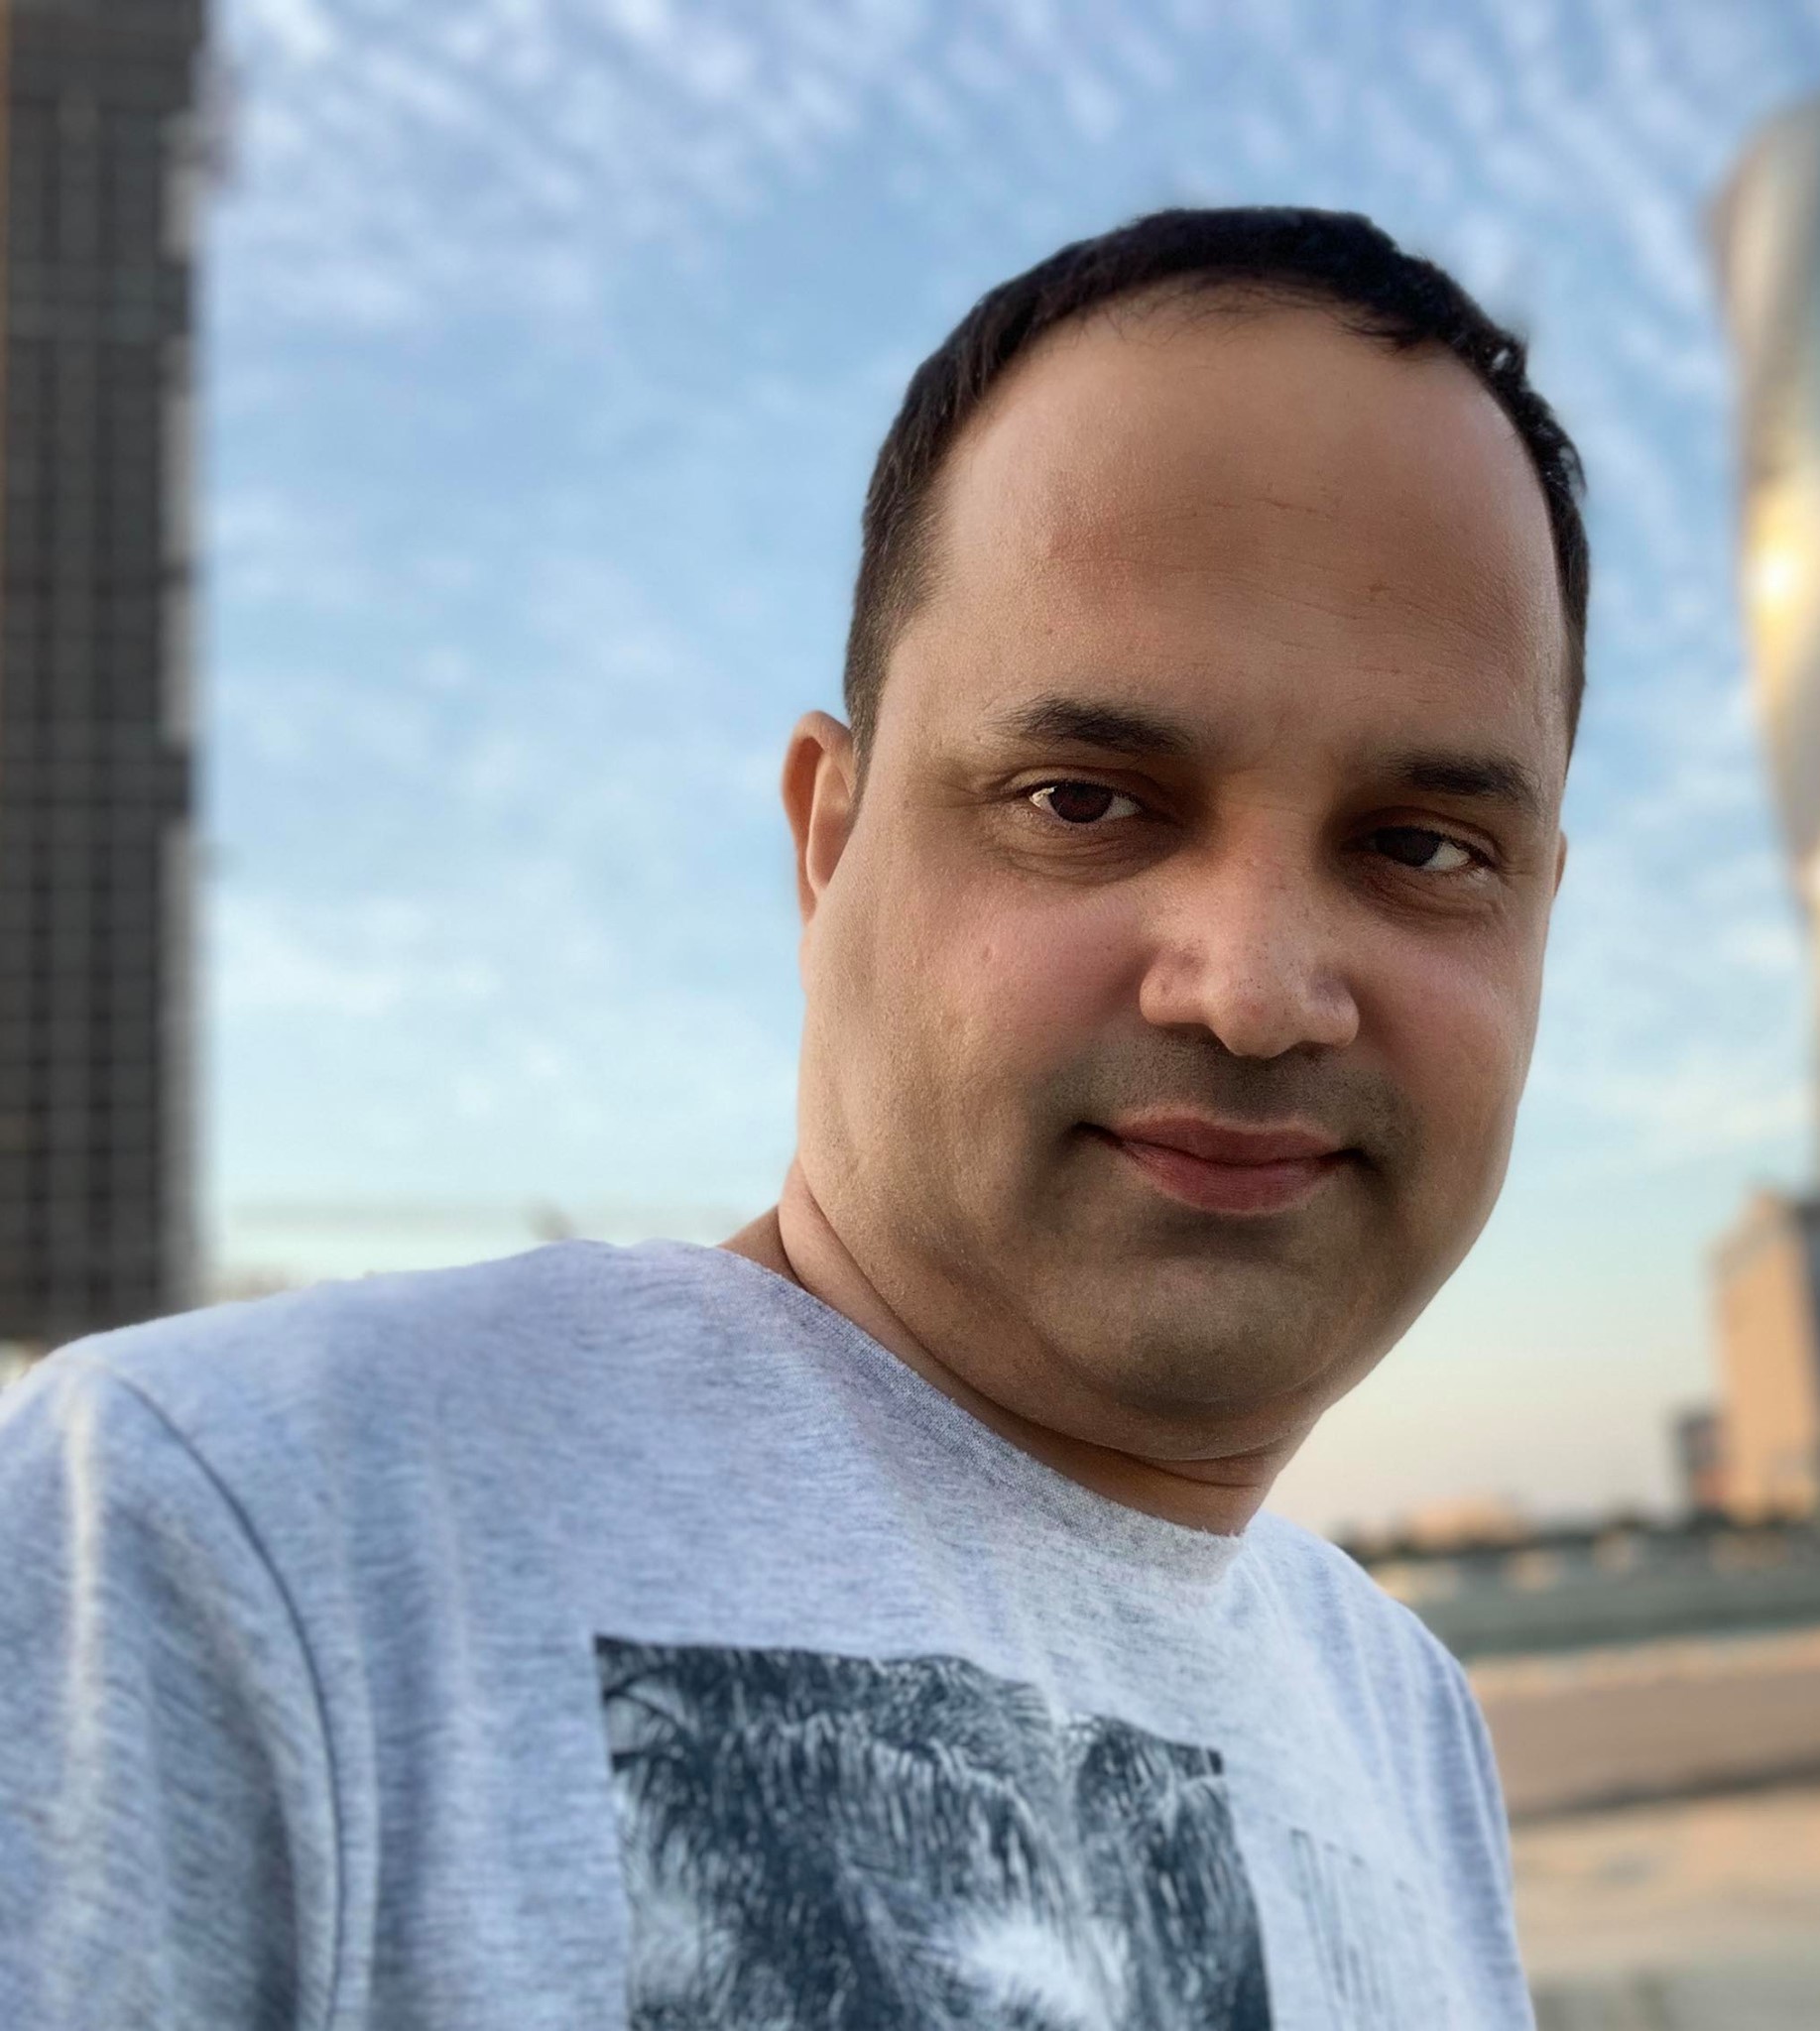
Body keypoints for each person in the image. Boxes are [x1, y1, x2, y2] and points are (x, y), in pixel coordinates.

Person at [0, 206, 1584, 2029]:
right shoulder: (230, 1540)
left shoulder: (1404, 1716)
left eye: (1425, 847)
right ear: (828, 842)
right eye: (1085, 801)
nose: (1252, 988)